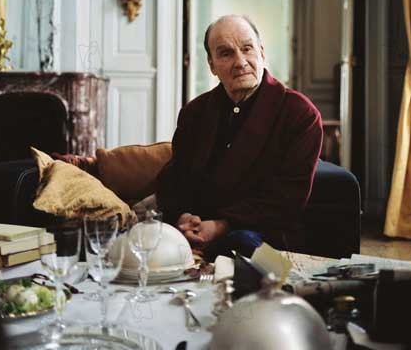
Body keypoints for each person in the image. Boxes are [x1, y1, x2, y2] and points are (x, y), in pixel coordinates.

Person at [135, 14, 323, 258]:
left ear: (261, 53)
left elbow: (287, 199)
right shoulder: (195, 112)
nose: (241, 61)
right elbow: (175, 179)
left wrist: (222, 226)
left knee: (240, 244)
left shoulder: (300, 114)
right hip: (195, 226)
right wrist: (183, 216)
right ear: (212, 65)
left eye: (247, 49)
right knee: (135, 242)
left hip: (262, 232)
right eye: (226, 53)